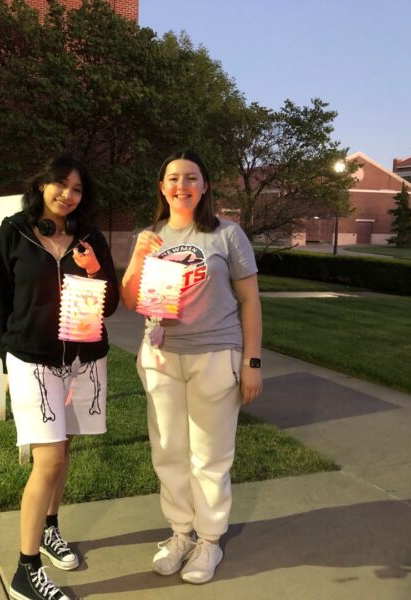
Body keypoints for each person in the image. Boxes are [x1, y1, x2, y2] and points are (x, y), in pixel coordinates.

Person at [121, 150, 262, 585]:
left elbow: (250, 301)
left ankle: (209, 540)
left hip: (215, 354)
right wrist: (138, 257)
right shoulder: (151, 235)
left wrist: (252, 361)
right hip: (162, 356)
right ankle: (180, 533)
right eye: (173, 178)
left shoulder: (227, 234)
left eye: (191, 177)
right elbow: (130, 301)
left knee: (210, 456)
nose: (182, 185)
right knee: (169, 452)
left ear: (204, 186)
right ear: (162, 187)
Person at [0, 155, 119, 600]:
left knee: (63, 451)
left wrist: (92, 270)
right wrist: (7, 365)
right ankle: (25, 572)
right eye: (60, 185)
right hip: (33, 358)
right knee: (46, 460)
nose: (67, 195)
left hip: (83, 361)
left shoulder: (90, 237)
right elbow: (3, 303)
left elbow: (110, 306)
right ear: (42, 184)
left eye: (77, 190)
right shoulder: (15, 231)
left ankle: (49, 529)